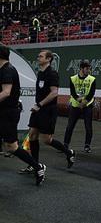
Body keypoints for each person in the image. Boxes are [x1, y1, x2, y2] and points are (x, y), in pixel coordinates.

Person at [20, 49, 75, 174]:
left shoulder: (52, 74)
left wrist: (40, 104)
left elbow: (54, 93)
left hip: (48, 110)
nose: (38, 58)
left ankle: (69, 152)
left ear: (48, 59)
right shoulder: (40, 73)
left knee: (46, 140)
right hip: (38, 110)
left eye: (41, 56)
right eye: (38, 56)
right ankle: (35, 165)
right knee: (32, 135)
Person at [0, 44, 46, 185]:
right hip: (3, 111)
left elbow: (6, 92)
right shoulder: (2, 69)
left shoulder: (7, 70)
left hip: (8, 113)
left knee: (12, 147)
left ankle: (38, 167)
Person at [63, 60, 96, 153]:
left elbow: (91, 93)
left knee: (88, 126)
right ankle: (65, 144)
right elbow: (73, 92)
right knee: (70, 126)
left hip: (87, 105)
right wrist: (79, 100)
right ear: (81, 68)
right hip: (75, 105)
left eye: (89, 68)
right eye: (87, 68)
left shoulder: (92, 79)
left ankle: (87, 145)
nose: (88, 70)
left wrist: (84, 102)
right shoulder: (73, 78)